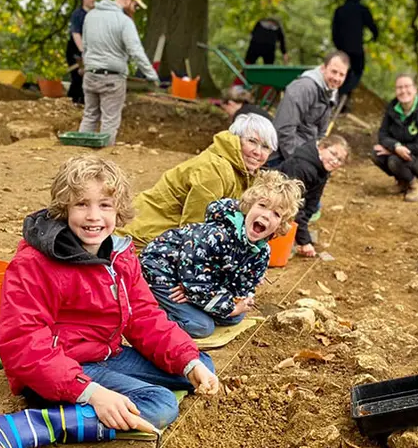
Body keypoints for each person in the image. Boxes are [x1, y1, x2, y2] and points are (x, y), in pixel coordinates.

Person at [0, 156, 219, 448]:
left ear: (118, 211)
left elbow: (145, 316)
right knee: (159, 405)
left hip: (105, 355)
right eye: (82, 204)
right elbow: (23, 345)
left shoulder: (119, 253)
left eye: (105, 205)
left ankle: (121, 396)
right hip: (58, 369)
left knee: (198, 362)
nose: (94, 216)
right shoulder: (34, 263)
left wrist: (188, 362)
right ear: (64, 208)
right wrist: (93, 394)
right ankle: (19, 427)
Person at [140, 171, 304, 338]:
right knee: (201, 326)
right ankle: (145, 315)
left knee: (235, 317)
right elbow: (195, 279)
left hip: (196, 281)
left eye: (276, 214)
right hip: (162, 270)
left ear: (279, 225)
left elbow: (244, 287)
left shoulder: (261, 252)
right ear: (248, 207)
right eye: (262, 205)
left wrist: (240, 301)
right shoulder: (217, 235)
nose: (266, 215)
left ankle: (194, 303)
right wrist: (196, 293)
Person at [118, 113, 278, 251]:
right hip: (142, 237)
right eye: (251, 141)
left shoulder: (246, 173)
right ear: (236, 140)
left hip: (163, 236)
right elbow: (194, 229)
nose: (258, 152)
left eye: (265, 147)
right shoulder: (214, 170)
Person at [78, 0, 159, 146]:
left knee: (90, 116)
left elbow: (85, 47)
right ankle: (102, 166)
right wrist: (152, 76)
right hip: (112, 79)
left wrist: (88, 66)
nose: (135, 9)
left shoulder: (90, 16)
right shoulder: (124, 21)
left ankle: (78, 161)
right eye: (135, 5)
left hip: (90, 75)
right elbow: (136, 51)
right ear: (127, 0)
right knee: (109, 120)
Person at [269, 51, 349, 166]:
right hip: (282, 157)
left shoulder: (331, 92)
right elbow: (283, 129)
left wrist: (319, 156)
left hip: (307, 151)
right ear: (323, 68)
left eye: (341, 75)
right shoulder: (304, 88)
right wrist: (299, 161)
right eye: (334, 72)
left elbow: (322, 132)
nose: (337, 78)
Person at [372, 74, 418, 202]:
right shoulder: (392, 108)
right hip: (399, 152)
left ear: (415, 89)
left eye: (407, 86)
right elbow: (383, 134)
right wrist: (396, 147)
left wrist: (397, 150)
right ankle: (402, 182)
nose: (403, 91)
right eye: (399, 87)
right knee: (376, 153)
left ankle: (414, 186)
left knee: (394, 160)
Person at [280, 136, 349, 258]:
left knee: (314, 208)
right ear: (321, 147)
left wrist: (302, 236)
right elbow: (294, 205)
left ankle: (295, 236)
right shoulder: (301, 167)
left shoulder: (322, 169)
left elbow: (312, 202)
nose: (335, 161)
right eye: (333, 154)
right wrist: (304, 241)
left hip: (290, 209)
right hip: (276, 205)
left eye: (340, 160)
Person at [331, 0, 378, 103]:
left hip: (342, 49)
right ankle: (343, 92)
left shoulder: (339, 10)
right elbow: (373, 27)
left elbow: (334, 31)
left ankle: (342, 98)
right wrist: (374, 36)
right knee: (357, 71)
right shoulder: (362, 10)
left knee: (342, 72)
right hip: (356, 49)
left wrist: (338, 46)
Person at [66, 0, 95, 105]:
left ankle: (81, 104)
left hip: (90, 49)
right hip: (76, 50)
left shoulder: (95, 15)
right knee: (78, 77)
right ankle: (70, 102)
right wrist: (83, 52)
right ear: (83, 0)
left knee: (88, 78)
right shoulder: (78, 14)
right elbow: (76, 34)